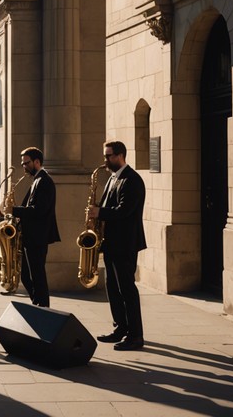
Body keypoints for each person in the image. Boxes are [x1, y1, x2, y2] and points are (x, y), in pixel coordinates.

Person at [88, 140, 146, 351]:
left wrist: (99, 212)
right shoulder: (113, 178)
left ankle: (135, 335)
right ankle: (120, 328)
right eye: (105, 156)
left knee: (127, 289)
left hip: (126, 243)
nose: (105, 160)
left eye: (109, 156)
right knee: (113, 288)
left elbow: (124, 211)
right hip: (111, 243)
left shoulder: (132, 180)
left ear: (120, 155)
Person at [12, 147, 60, 307]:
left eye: (26, 163)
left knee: (37, 275)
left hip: (38, 236)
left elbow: (38, 210)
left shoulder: (44, 181)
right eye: (23, 163)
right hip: (31, 236)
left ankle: (43, 306)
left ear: (37, 162)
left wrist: (13, 210)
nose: (24, 166)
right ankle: (38, 304)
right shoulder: (37, 180)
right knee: (26, 276)